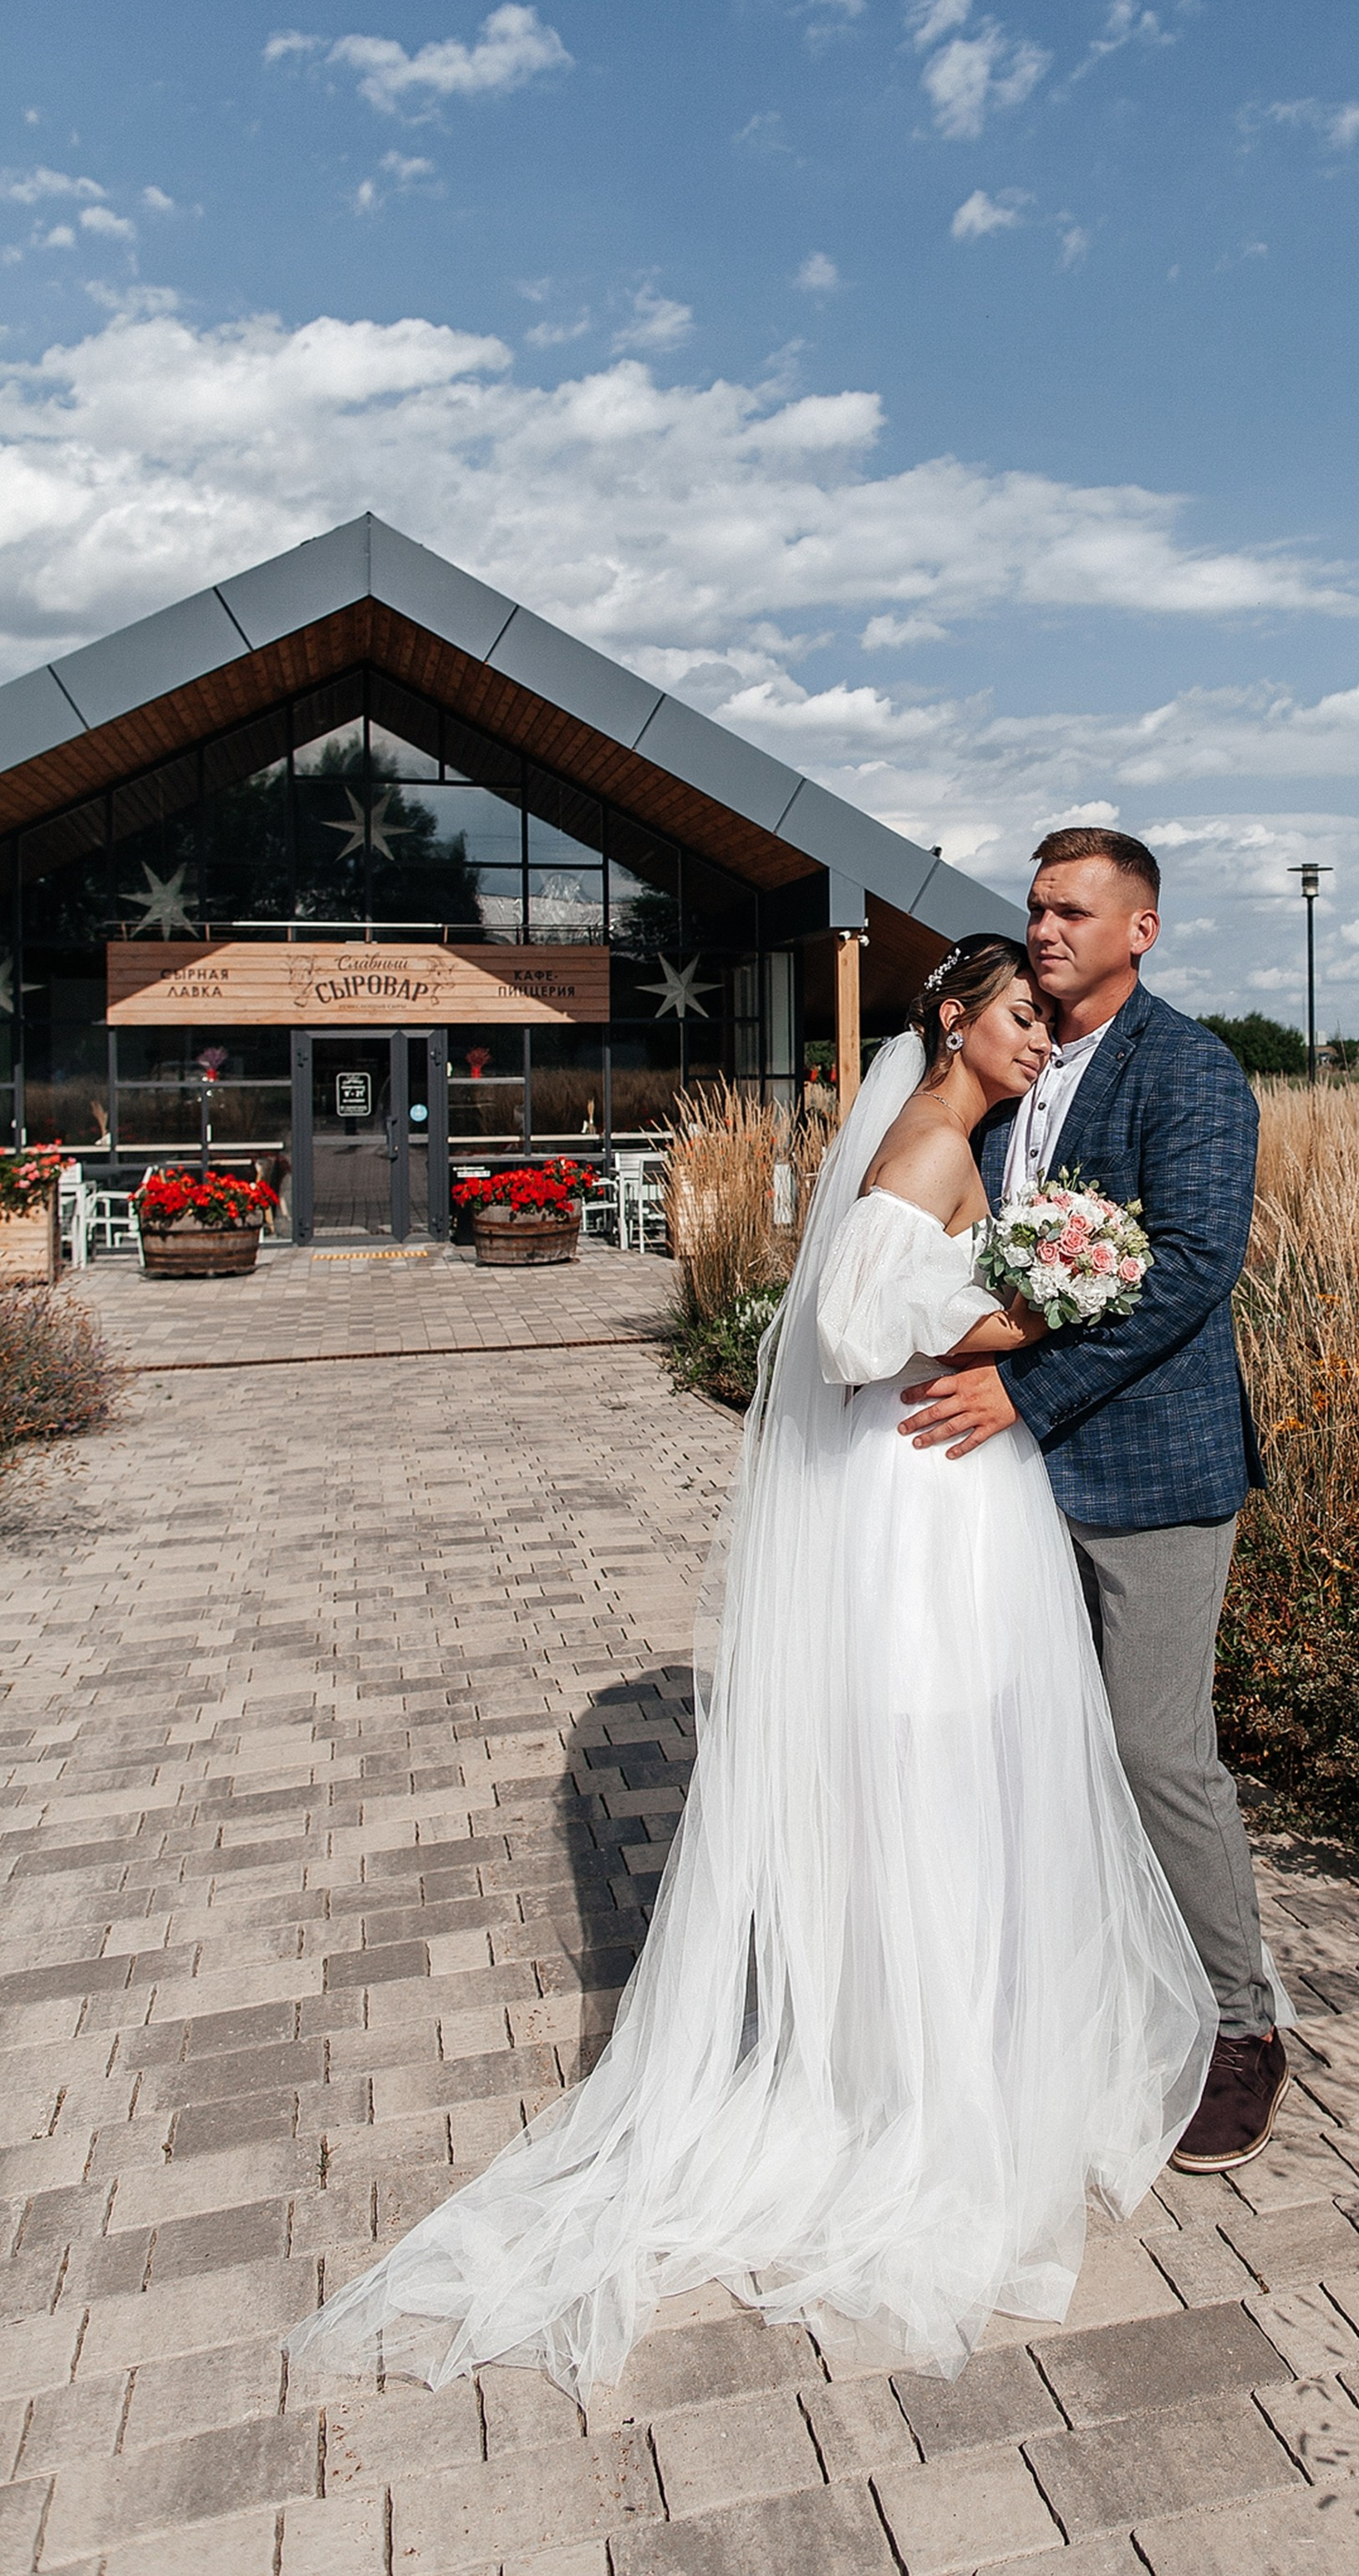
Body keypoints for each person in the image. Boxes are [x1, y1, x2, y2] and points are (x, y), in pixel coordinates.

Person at [288, 935, 1217, 2401]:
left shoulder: (954, 1133)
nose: (1041, 1040)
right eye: (1021, 1019)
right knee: (933, 1772)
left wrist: (1018, 1313)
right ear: (954, 1021)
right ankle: (914, 2088)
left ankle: (938, 2056)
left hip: (956, 1490)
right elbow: (850, 1332)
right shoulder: (923, 1143)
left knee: (961, 1776)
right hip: (922, 1502)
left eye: (1049, 1022)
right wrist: (1033, 1315)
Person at [898, 831, 1288, 2175]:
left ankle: (1244, 2030)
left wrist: (1025, 1395)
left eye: (1073, 911)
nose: (1046, 929)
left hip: (1155, 1472)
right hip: (1007, 1490)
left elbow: (1188, 1272)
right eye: (1035, 908)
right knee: (1031, 1749)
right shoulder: (1009, 1064)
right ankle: (1095, 2001)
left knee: (1153, 1751)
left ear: (1143, 930)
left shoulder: (1189, 1069)